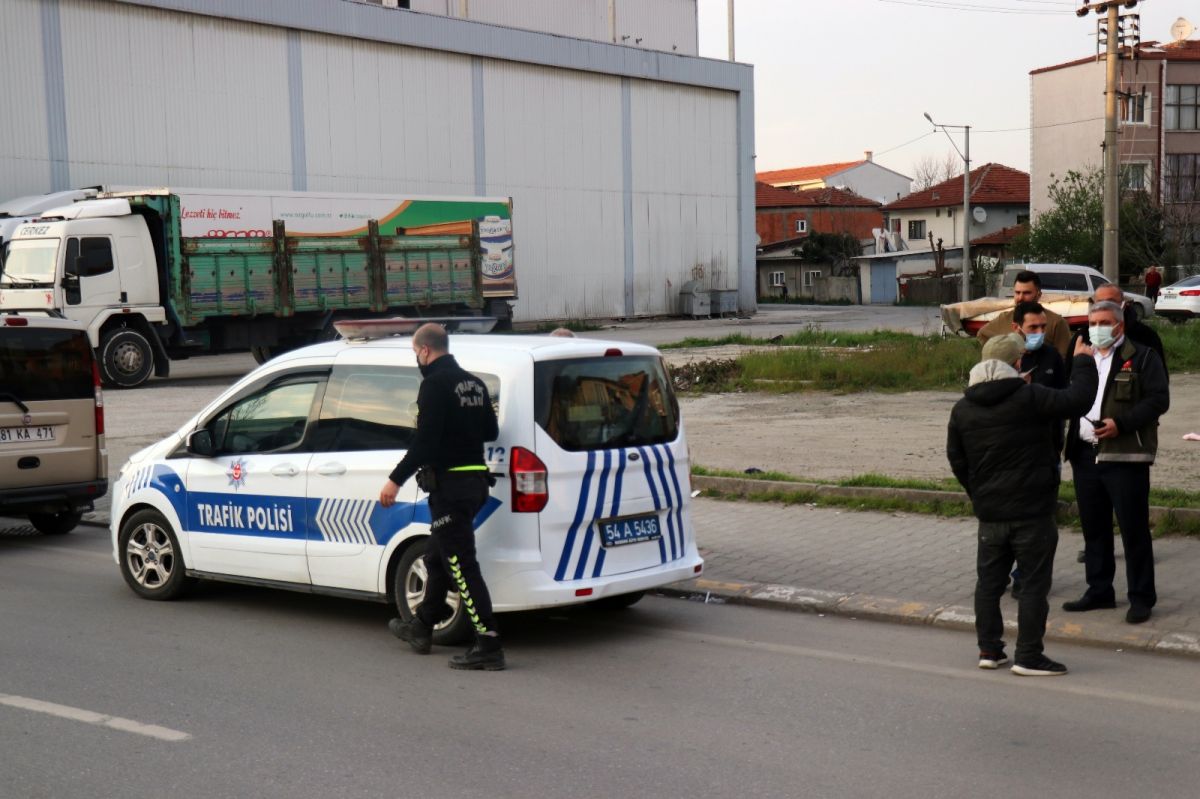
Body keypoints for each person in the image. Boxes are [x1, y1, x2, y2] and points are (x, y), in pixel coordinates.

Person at [947, 333, 1098, 676]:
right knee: (1032, 586)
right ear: (1018, 364)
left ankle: (989, 650)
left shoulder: (963, 408)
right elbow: (1079, 401)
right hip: (1033, 512)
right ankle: (1028, 655)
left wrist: (980, 493)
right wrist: (1085, 361)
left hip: (991, 514)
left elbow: (956, 459)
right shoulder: (1029, 397)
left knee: (989, 584)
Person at [381, 323, 505, 670]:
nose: (417, 359)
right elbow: (490, 431)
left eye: (415, 354)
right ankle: (422, 627)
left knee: (462, 566)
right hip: (475, 484)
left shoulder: (433, 385)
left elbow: (426, 443)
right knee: (437, 557)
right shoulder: (475, 384)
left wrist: (394, 480)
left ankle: (489, 644)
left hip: (451, 489)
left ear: (423, 350)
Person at [1061, 301, 1170, 625]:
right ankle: (1099, 590)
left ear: (1119, 326)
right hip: (1084, 454)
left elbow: (1158, 400)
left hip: (1124, 456)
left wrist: (1121, 425)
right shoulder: (1082, 355)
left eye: (1104, 322)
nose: (1096, 329)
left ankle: (1141, 597)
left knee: (1133, 530)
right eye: (1093, 322)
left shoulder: (1142, 356)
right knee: (1094, 530)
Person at [1006, 301, 1067, 599]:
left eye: (1043, 327)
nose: (1039, 333)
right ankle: (1005, 571)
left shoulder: (1053, 357)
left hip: (1046, 454)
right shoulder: (1003, 358)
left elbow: (1065, 399)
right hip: (1010, 458)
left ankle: (1028, 575)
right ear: (1016, 328)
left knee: (1041, 522)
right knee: (1012, 521)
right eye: (1033, 328)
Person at [977, 270, 1072, 360]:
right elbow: (983, 334)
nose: (1020, 297)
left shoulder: (1057, 322)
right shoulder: (1004, 318)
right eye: (1017, 292)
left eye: (1026, 293)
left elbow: (1064, 359)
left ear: (1038, 295)